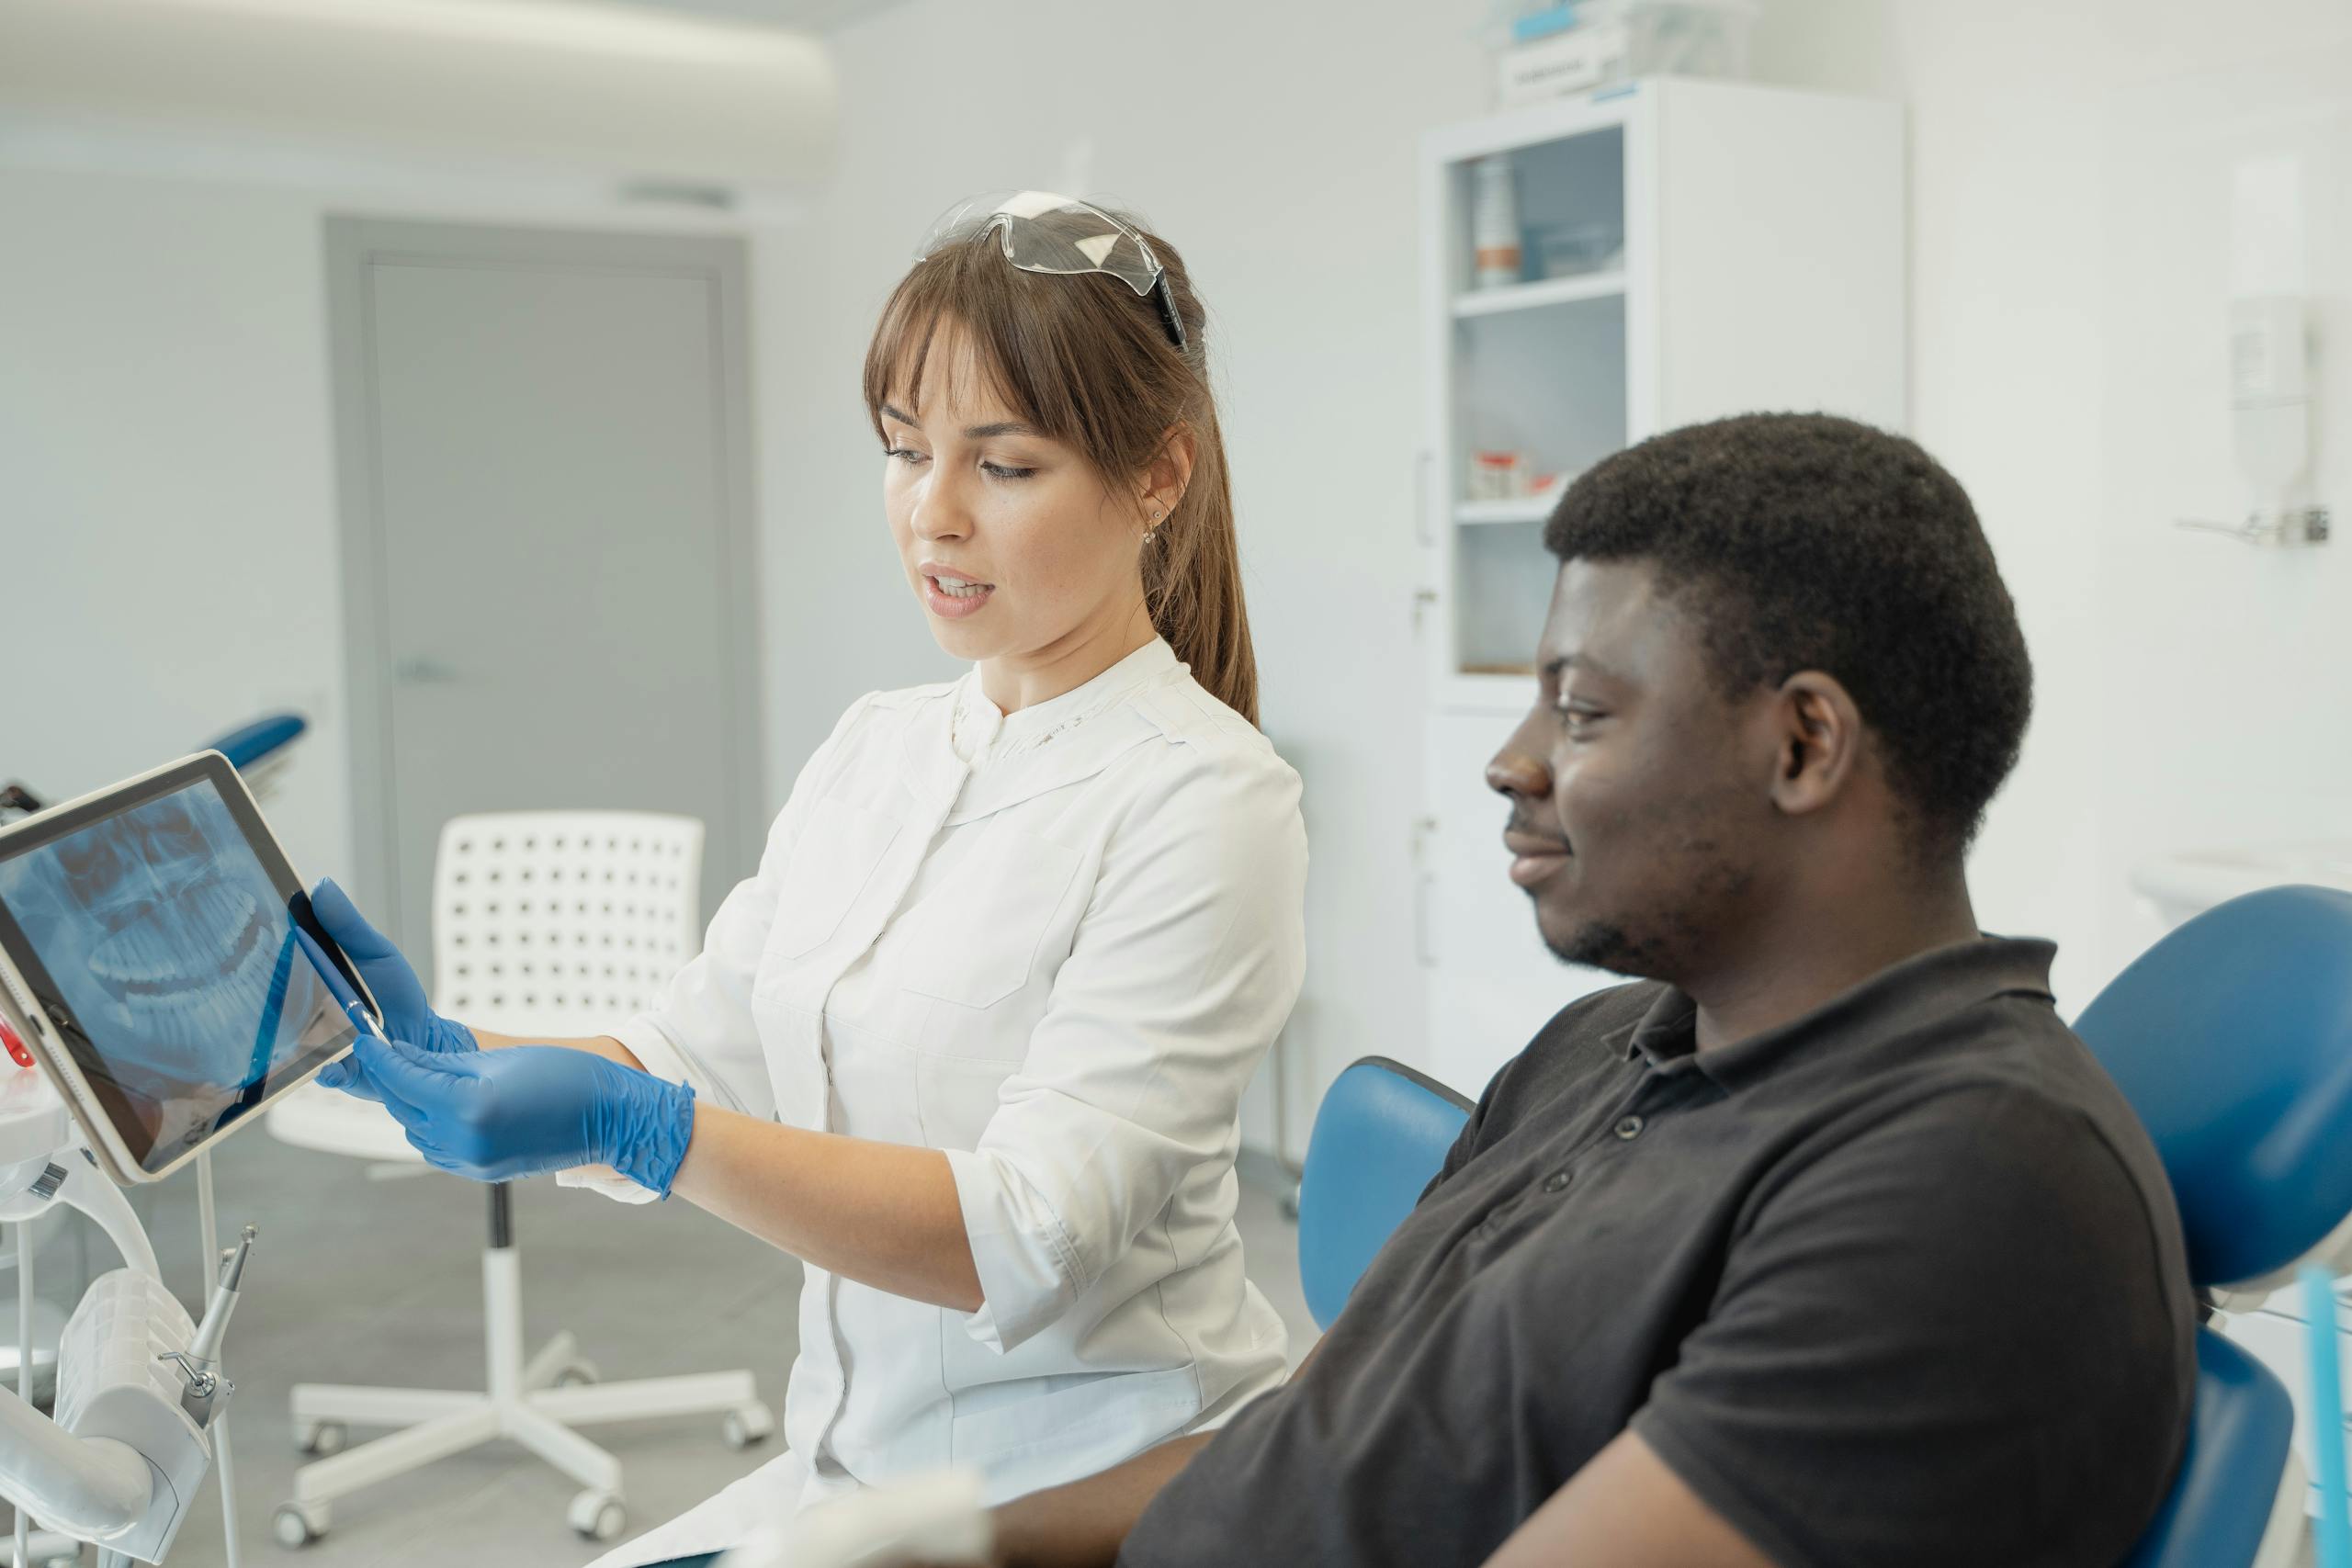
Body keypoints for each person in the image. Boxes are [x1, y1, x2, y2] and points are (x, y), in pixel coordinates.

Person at [978, 413, 2197, 1568]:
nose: (1513, 760)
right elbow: (1312, 1438)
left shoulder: (1963, 1186)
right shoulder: (1609, 1041)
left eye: (1581, 711)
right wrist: (952, 1540)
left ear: (1803, 747)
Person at [315, 192, 1306, 1563]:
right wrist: (449, 1052)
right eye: (905, 453)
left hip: (1083, 1489)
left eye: (1005, 467)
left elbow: (1024, 1236)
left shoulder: (1206, 799)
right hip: (851, 1460)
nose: (933, 516)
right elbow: (694, 1047)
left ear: (1156, 477)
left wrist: (641, 1130)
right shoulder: (879, 747)